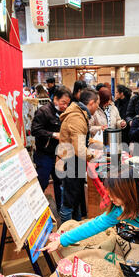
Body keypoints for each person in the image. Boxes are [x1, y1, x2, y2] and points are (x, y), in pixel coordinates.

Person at [56, 88, 100, 223]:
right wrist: (93, 155)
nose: (97, 108)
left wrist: (95, 143)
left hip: (75, 162)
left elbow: (81, 139)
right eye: (97, 104)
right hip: (71, 163)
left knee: (75, 198)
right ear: (91, 103)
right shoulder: (77, 117)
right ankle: (65, 231)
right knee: (69, 200)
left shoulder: (80, 114)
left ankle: (75, 227)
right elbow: (79, 148)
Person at [31, 86, 72, 216]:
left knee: (60, 182)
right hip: (44, 154)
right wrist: (53, 134)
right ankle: (34, 210)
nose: (65, 106)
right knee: (42, 182)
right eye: (63, 102)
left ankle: (61, 210)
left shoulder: (63, 113)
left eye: (67, 103)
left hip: (59, 154)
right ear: (55, 99)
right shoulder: (43, 111)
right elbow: (35, 130)